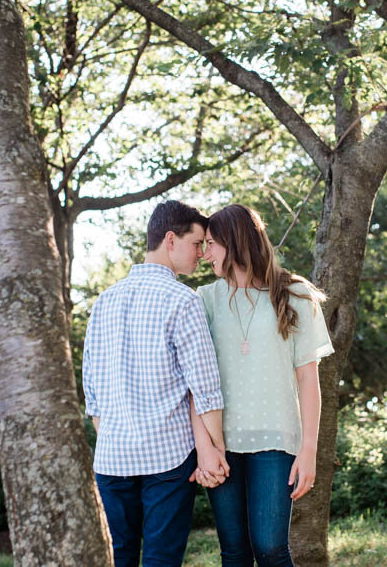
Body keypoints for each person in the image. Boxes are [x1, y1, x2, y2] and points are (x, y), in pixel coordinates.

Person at [82, 200, 228, 567]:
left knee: (123, 559)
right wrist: (218, 450)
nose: (201, 254)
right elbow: (205, 389)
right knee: (162, 561)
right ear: (170, 240)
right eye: (197, 243)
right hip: (168, 461)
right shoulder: (183, 300)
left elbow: (92, 394)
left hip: (112, 460)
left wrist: (115, 436)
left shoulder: (104, 302)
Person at [194, 203, 334, 566]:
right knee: (235, 553)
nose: (204, 253)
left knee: (271, 548)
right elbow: (193, 379)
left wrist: (308, 451)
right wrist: (204, 447)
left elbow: (308, 379)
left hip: (276, 441)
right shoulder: (205, 300)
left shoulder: (296, 295)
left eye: (211, 243)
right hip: (221, 442)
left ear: (234, 241)